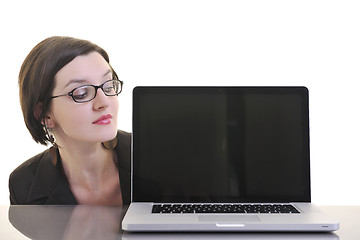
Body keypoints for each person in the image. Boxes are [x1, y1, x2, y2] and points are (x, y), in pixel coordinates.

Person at [9, 36, 131, 205]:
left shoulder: (157, 155)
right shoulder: (24, 185)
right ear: (44, 115)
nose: (104, 102)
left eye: (108, 86)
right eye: (81, 93)